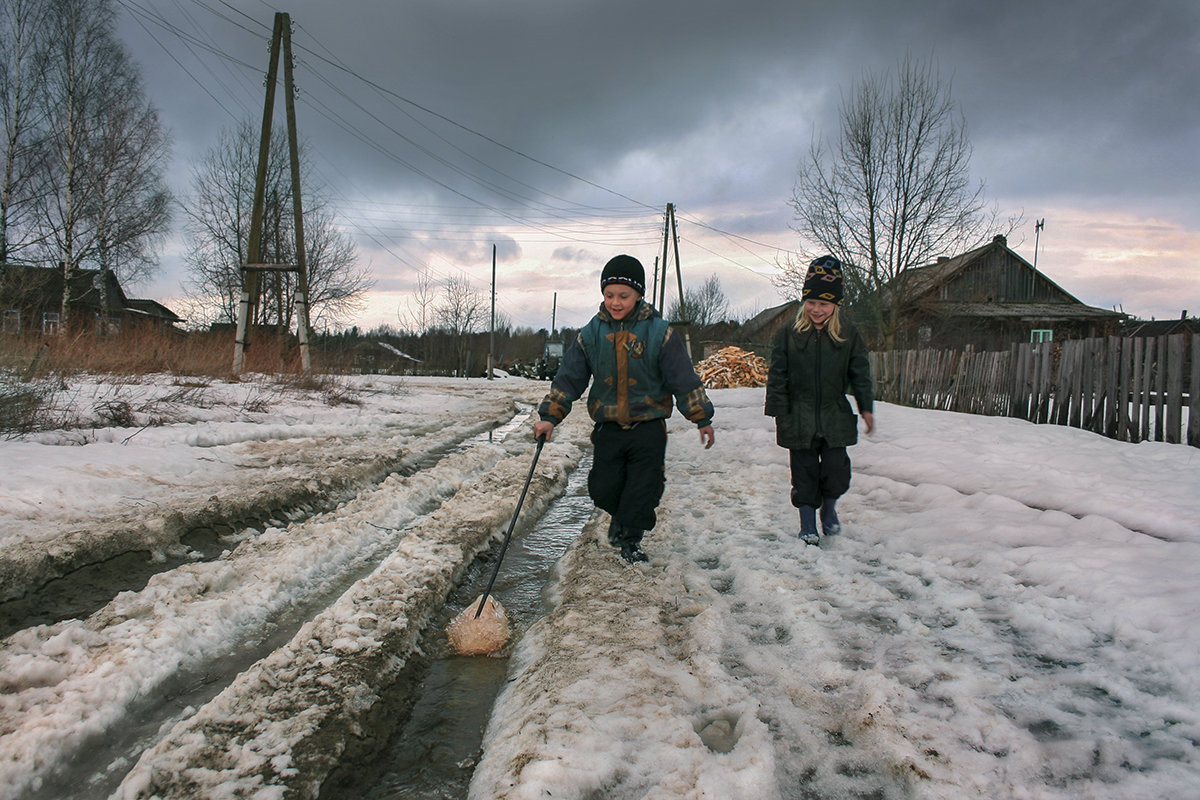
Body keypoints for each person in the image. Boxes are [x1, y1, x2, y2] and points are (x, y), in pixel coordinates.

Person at [533, 254, 716, 563]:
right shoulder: (591, 333)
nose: (615, 302)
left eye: (623, 296)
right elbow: (569, 378)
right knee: (603, 488)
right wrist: (550, 416)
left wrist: (701, 418)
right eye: (609, 295)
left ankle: (631, 540)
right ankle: (621, 517)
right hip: (608, 427)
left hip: (648, 426)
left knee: (643, 489)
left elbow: (682, 377)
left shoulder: (659, 332)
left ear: (639, 295)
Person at [764, 255, 874, 546]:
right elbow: (777, 374)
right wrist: (778, 411)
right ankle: (808, 524)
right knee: (804, 473)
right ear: (804, 302)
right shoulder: (788, 333)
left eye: (823, 304)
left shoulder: (848, 334)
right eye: (811, 303)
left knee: (837, 472)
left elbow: (860, 372)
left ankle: (829, 507)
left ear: (835, 305)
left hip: (833, 412)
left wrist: (866, 407)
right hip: (798, 413)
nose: (816, 309)